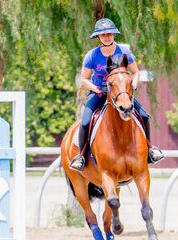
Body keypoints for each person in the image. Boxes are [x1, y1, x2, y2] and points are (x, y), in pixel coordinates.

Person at [70, 18, 164, 171]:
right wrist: (96, 89)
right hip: (99, 93)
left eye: (109, 34)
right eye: (103, 35)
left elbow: (136, 72)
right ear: (98, 37)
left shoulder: (124, 51)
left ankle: (150, 150)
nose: (107, 37)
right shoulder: (92, 55)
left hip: (122, 93)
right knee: (86, 121)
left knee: (145, 116)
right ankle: (81, 156)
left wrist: (133, 83)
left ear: (114, 35)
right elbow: (84, 79)